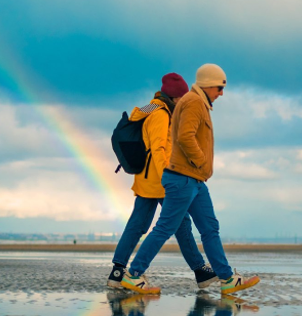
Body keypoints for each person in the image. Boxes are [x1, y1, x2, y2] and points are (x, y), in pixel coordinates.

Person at [122, 64, 260, 295]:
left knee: (209, 228)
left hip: (194, 180)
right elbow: (184, 137)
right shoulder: (194, 103)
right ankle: (133, 274)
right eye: (219, 87)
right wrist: (201, 161)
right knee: (165, 228)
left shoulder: (194, 103)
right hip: (182, 178)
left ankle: (227, 279)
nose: (221, 93)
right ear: (207, 84)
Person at [108, 73, 218, 290]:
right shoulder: (161, 114)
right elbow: (158, 148)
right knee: (180, 224)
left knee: (138, 225)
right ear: (175, 98)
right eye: (183, 99)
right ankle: (200, 271)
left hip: (147, 179)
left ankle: (118, 273)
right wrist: (168, 176)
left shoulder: (153, 108)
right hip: (159, 180)